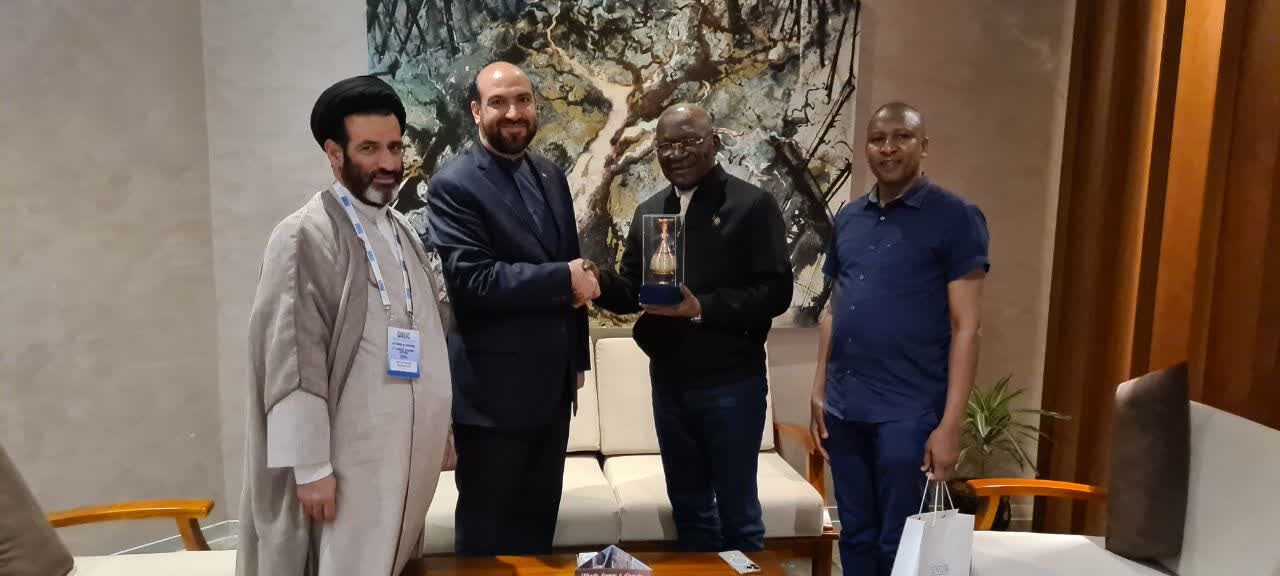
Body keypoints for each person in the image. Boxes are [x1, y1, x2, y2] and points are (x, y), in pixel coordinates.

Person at [236, 76, 453, 576]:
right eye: (369, 148)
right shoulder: (304, 235)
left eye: (395, 147)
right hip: (346, 465)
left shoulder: (401, 230)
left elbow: (426, 334)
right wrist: (311, 469)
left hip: (403, 460)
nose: (388, 163)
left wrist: (441, 428)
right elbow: (293, 358)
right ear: (334, 154)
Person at [592, 103, 793, 552]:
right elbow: (631, 290)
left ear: (714, 143)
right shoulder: (651, 211)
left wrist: (702, 307)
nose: (677, 153)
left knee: (739, 516)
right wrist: (596, 282)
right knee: (690, 511)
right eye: (667, 145)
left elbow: (776, 293)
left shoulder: (752, 205)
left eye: (689, 141)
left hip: (732, 384)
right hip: (670, 384)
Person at [810, 102, 989, 576]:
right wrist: (819, 388)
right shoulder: (849, 218)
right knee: (855, 534)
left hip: (908, 413)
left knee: (900, 541)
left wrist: (950, 426)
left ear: (923, 146)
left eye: (901, 137)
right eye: (877, 139)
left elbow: (967, 327)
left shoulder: (956, 217)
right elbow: (834, 310)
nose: (888, 148)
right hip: (845, 409)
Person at [427, 61, 596, 556]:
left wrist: (577, 360)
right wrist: (564, 278)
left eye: (522, 99)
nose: (513, 112)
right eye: (498, 102)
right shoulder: (454, 183)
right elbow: (473, 281)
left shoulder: (550, 174)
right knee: (488, 546)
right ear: (476, 111)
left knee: (537, 535)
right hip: (492, 401)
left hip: (552, 395)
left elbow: (571, 263)